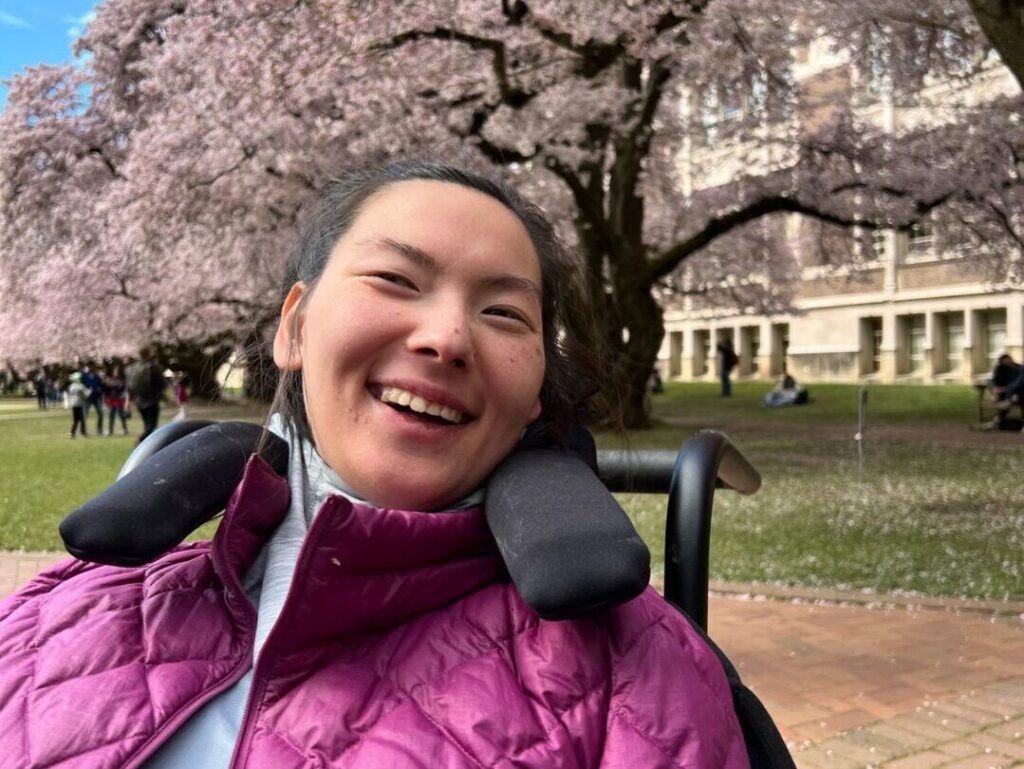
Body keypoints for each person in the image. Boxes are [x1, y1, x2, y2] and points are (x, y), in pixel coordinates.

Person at [0, 162, 751, 768]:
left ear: (534, 396)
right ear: (294, 328)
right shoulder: (52, 613)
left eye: (503, 313)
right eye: (395, 280)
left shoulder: (636, 670)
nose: (447, 338)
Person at [126, 346, 166, 444]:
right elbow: (161, 383)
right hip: (152, 399)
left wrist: (129, 400)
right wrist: (161, 394)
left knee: (147, 424)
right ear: (148, 354)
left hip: (139, 399)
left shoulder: (132, 368)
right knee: (152, 425)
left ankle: (146, 443)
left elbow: (129, 386)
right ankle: (140, 441)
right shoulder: (152, 366)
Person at [989, 352, 1024, 427]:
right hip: (1009, 393)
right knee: (1001, 393)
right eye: (1005, 363)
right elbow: (992, 381)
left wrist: (1004, 389)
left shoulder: (1021, 369)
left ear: (1011, 359)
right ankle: (1000, 419)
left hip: (1020, 392)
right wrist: (994, 389)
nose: (1007, 364)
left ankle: (999, 418)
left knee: (1020, 393)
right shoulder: (1003, 369)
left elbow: (1018, 383)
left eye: (1008, 361)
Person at [103, 364, 131, 436]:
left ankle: (124, 429)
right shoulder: (111, 380)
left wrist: (110, 384)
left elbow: (120, 387)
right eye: (115, 371)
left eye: (117, 371)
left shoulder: (121, 381)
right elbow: (107, 388)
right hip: (112, 400)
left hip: (119, 400)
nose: (115, 373)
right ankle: (110, 430)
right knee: (111, 415)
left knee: (121, 415)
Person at [80, 363, 105, 434]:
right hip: (87, 397)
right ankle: (83, 431)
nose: (92, 368)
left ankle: (99, 429)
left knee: (100, 413)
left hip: (96, 397)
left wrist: (99, 389)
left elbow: (101, 385)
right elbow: (81, 385)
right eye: (90, 366)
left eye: (93, 366)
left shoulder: (97, 376)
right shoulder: (84, 375)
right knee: (85, 414)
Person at [65, 371, 90, 438]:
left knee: (75, 420)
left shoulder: (71, 386)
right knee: (82, 419)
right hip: (79, 404)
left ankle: (72, 433)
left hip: (73, 404)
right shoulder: (80, 386)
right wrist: (89, 391)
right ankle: (83, 433)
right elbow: (86, 395)